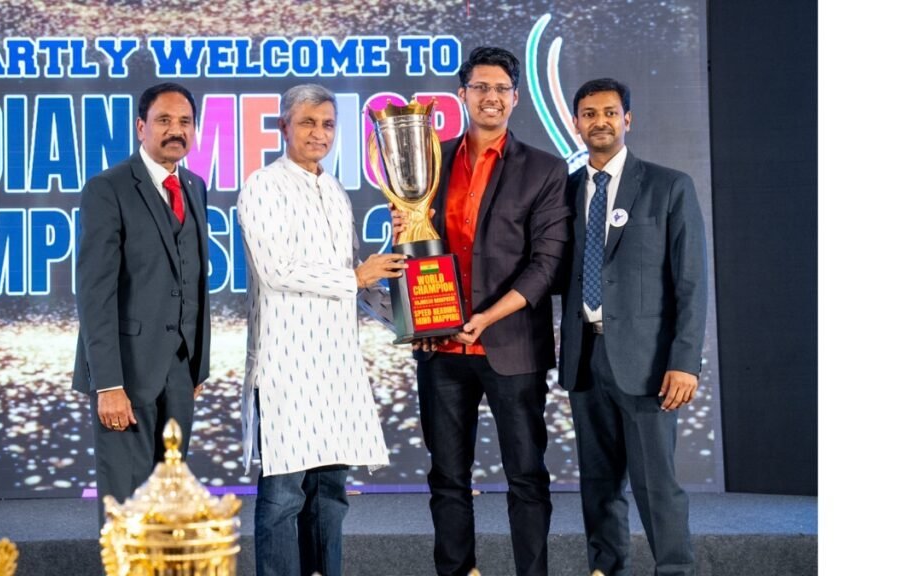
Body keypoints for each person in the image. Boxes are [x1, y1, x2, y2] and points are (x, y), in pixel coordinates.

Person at [397, 46, 572, 576]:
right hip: (441, 347)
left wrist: (488, 318)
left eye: (500, 88)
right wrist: (404, 233)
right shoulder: (430, 163)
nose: (490, 97)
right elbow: (419, 251)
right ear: (463, 94)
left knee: (526, 477)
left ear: (515, 98)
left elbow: (547, 264)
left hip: (512, 345)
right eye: (480, 87)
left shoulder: (544, 168)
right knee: (447, 479)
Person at [236, 83, 407, 576]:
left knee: (331, 494)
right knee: (284, 496)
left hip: (336, 367)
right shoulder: (262, 186)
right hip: (286, 366)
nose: (319, 133)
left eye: (328, 124)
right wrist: (358, 277)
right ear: (283, 126)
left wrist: (408, 318)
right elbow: (277, 270)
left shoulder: (334, 190)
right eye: (308, 122)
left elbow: (353, 275)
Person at [558, 78, 708, 576]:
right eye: (588, 114)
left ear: (628, 119)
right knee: (599, 486)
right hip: (585, 358)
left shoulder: (668, 186)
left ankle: (675, 570)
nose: (599, 121)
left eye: (609, 112)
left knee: (656, 484)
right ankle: (607, 569)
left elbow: (691, 283)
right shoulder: (564, 192)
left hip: (649, 364)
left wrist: (684, 362)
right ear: (576, 123)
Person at [72, 82, 211, 525]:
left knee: (170, 506)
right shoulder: (108, 188)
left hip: (179, 374)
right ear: (140, 127)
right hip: (126, 377)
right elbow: (95, 293)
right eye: (164, 120)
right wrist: (107, 384)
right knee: (127, 508)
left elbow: (193, 278)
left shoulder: (194, 186)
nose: (176, 130)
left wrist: (195, 364)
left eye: (185, 122)